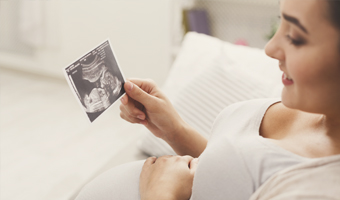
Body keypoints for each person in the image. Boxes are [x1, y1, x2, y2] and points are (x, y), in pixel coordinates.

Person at [75, 0, 340, 199]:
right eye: (279, 22)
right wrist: (175, 131)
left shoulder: (322, 188)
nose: (270, 48)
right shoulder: (313, 106)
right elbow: (233, 183)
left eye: (294, 36)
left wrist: (161, 190)